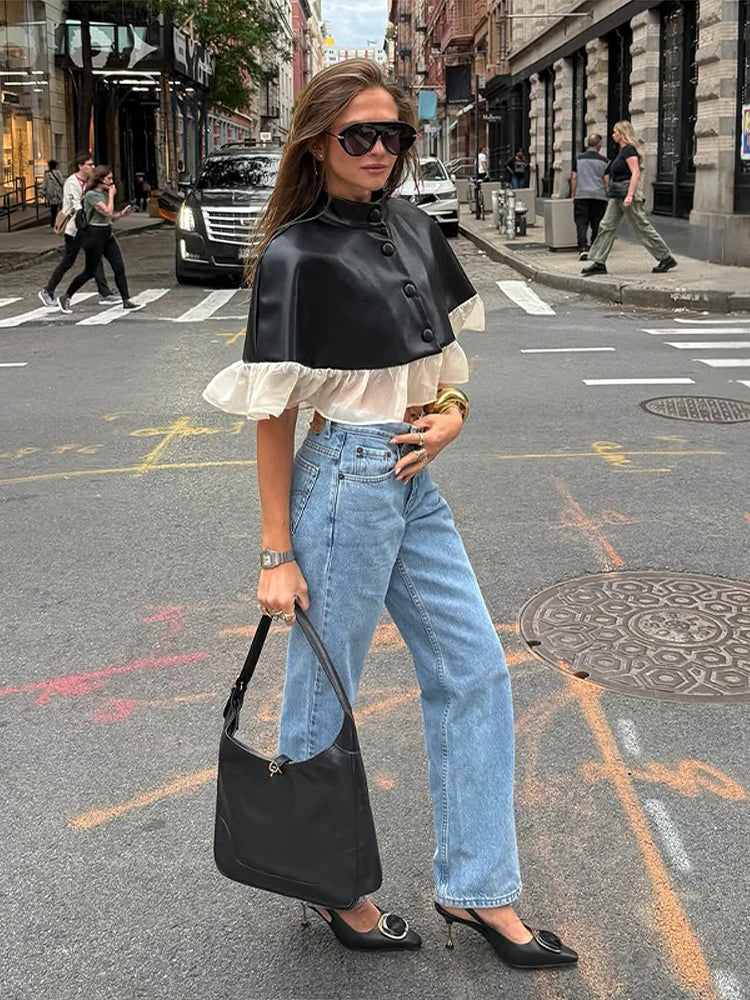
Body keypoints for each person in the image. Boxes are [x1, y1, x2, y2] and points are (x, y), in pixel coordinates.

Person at [203, 58, 578, 970]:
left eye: (392, 135)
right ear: (318, 144)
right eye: (357, 136)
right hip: (342, 481)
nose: (379, 151)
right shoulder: (295, 254)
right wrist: (273, 552)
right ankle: (332, 886)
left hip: (414, 476)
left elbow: (442, 375)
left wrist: (451, 421)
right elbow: (273, 413)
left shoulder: (415, 226)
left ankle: (477, 889)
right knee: (325, 689)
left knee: (476, 669)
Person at [582, 121, 677, 276]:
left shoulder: (629, 150)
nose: (612, 135)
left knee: (641, 227)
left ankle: (665, 257)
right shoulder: (621, 151)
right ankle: (599, 262)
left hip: (626, 194)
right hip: (617, 194)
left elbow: (635, 173)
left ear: (622, 133)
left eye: (615, 132)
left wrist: (630, 195)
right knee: (606, 225)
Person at [56, 166, 144, 315]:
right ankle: (66, 297)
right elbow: (107, 210)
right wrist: (111, 194)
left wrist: (122, 213)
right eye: (108, 179)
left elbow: (110, 217)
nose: (111, 181)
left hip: (107, 234)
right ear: (100, 180)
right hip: (93, 237)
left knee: (119, 267)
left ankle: (126, 300)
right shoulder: (91, 195)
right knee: (89, 272)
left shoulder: (103, 194)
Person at [38, 152, 117, 307]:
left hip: (86, 227)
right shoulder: (72, 183)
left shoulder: (89, 181)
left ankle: (104, 292)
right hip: (74, 228)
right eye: (89, 164)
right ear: (81, 166)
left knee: (95, 258)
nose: (93, 167)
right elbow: (77, 205)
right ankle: (48, 290)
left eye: (93, 164)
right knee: (68, 260)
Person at [570, 134, 609, 261]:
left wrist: (573, 194)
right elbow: (606, 181)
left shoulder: (578, 159)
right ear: (599, 145)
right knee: (596, 223)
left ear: (588, 144)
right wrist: (607, 194)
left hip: (582, 195)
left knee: (581, 223)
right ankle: (594, 247)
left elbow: (574, 177)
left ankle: (582, 249)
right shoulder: (605, 161)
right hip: (599, 196)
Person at [41, 159, 65, 229]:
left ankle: (53, 222)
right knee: (60, 208)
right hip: (59, 193)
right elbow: (62, 182)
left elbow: (44, 184)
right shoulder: (58, 173)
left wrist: (42, 192)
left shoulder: (47, 174)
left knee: (53, 209)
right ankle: (59, 222)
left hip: (51, 194)